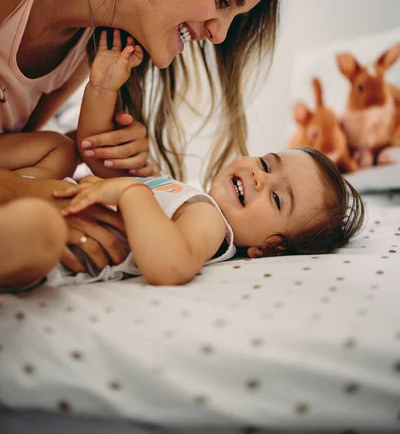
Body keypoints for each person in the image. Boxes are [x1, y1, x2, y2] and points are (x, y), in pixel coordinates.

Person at [0, 0, 285, 269]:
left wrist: (92, 146)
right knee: (38, 233)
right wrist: (26, 194)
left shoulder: (88, 39)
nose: (219, 35)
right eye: (223, 0)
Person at [0, 31, 365, 290]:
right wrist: (102, 88)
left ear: (269, 248)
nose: (259, 178)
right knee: (62, 149)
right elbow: (97, 152)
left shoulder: (210, 223)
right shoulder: (183, 192)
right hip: (48, 194)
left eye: (276, 198)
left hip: (58, 245)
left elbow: (171, 266)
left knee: (40, 228)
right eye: (267, 164)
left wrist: (130, 193)